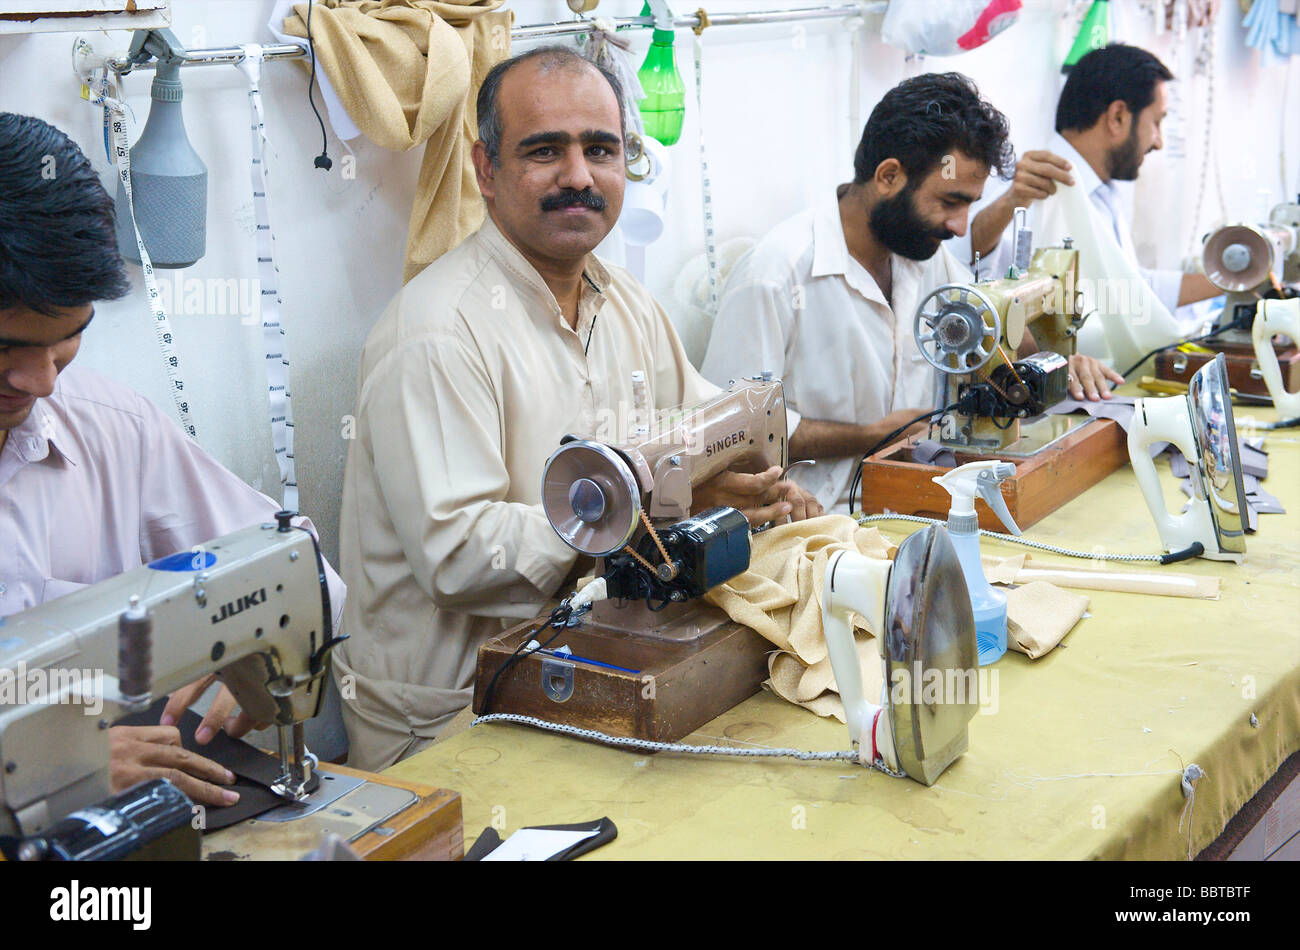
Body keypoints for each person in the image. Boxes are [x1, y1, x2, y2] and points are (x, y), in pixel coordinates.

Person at [336, 46, 822, 772]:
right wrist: (661, 502)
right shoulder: (436, 333)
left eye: (601, 149)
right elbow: (460, 553)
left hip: (597, 675)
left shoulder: (624, 300)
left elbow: (706, 429)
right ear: (486, 170)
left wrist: (759, 473)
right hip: (456, 723)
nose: (579, 176)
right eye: (544, 151)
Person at [0, 112, 346, 809]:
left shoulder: (110, 431)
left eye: (67, 341)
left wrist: (239, 653)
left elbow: (299, 575)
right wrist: (46, 767)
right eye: (5, 348)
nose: (40, 384)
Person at [700, 73, 1121, 513]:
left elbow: (995, 334)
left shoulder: (925, 258)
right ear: (888, 176)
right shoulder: (776, 274)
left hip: (915, 500)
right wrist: (872, 435)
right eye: (950, 202)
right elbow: (733, 431)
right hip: (817, 522)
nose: (961, 227)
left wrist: (1057, 364)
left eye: (969, 206)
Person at [963, 44, 1220, 368]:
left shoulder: (1101, 194)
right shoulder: (1026, 189)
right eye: (1156, 122)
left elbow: (1127, 288)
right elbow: (968, 265)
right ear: (1117, 117)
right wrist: (1011, 202)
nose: (1158, 141)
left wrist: (1230, 279)